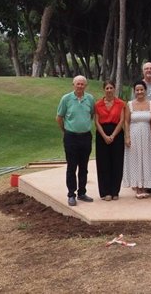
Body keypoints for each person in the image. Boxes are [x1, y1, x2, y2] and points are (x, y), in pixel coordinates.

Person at [56, 75, 95, 206]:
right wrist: (66, 130)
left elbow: (91, 115)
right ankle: (71, 194)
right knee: (72, 166)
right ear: (73, 85)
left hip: (85, 136)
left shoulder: (90, 98)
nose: (80, 86)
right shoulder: (66, 99)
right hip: (71, 137)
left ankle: (82, 192)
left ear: (86, 85)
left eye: (82, 84)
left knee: (84, 167)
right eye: (77, 84)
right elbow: (59, 117)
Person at [122, 80, 151, 198]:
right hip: (134, 135)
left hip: (147, 136)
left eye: (141, 89)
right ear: (134, 91)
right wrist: (127, 137)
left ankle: (146, 186)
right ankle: (138, 187)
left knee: (147, 159)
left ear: (145, 90)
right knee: (135, 161)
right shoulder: (129, 104)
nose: (139, 92)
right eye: (137, 90)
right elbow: (126, 121)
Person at [94, 80, 125, 201]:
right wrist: (105, 136)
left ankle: (115, 191)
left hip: (117, 134)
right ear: (104, 90)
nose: (109, 90)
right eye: (107, 88)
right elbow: (96, 121)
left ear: (114, 89)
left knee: (117, 162)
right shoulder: (98, 104)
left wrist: (112, 135)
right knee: (103, 163)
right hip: (102, 134)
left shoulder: (120, 103)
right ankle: (105, 192)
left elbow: (122, 120)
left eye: (111, 88)